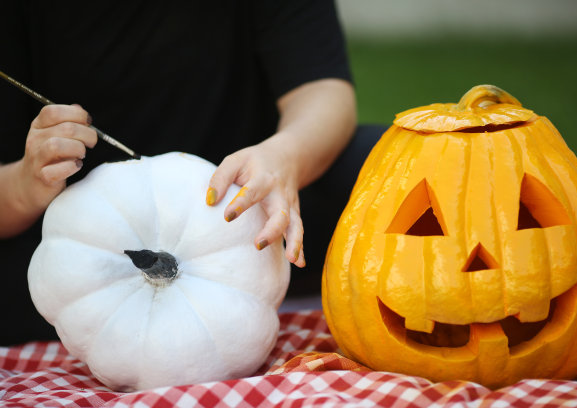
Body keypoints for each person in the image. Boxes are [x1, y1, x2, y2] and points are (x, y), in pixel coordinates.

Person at [0, 1, 383, 345]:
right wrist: (25, 185)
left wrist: (286, 155)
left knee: (391, 169)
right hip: (73, 243)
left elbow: (321, 90)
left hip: (256, 205)